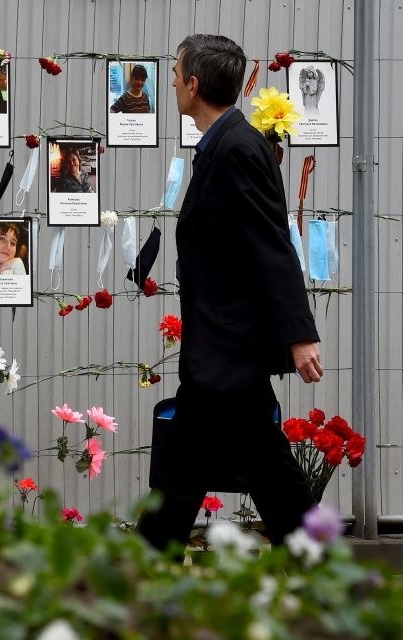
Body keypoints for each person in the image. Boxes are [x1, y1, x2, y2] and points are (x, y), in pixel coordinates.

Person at [137, 34, 322, 554]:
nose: (172, 80)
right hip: (219, 346)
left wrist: (299, 335)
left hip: (229, 348)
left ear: (194, 85)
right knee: (204, 467)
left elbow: (272, 246)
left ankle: (147, 567)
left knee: (249, 470)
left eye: (176, 74)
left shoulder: (237, 149)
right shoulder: (222, 146)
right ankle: (149, 565)